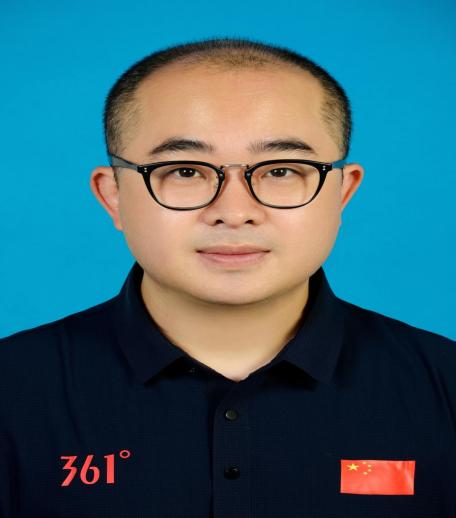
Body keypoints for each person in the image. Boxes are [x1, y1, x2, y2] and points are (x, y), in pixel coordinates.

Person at [0, 37, 455, 518]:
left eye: (281, 170)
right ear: (113, 195)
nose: (235, 212)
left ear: (342, 192)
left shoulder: (443, 386)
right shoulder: (13, 391)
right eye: (184, 171)